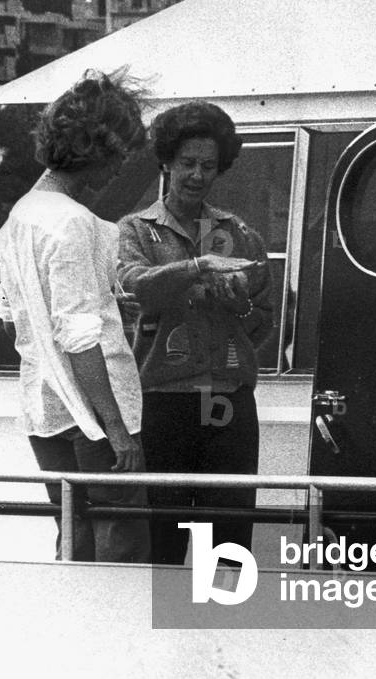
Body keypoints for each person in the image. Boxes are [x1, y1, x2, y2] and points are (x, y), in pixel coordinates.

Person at [0, 70, 150, 563]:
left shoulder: (24, 212)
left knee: (74, 538)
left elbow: (10, 316)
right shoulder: (73, 222)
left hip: (45, 408)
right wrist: (117, 430)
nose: (120, 170)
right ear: (96, 151)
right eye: (119, 156)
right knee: (119, 547)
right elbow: (82, 340)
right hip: (95, 419)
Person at [117, 101, 273, 564]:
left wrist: (238, 303)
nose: (198, 175)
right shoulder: (137, 230)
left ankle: (219, 631)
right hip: (163, 400)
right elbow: (134, 285)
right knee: (162, 537)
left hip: (226, 400)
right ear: (166, 162)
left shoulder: (238, 232)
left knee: (227, 541)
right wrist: (199, 266)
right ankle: (161, 637)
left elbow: (262, 321)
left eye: (209, 165)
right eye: (187, 163)